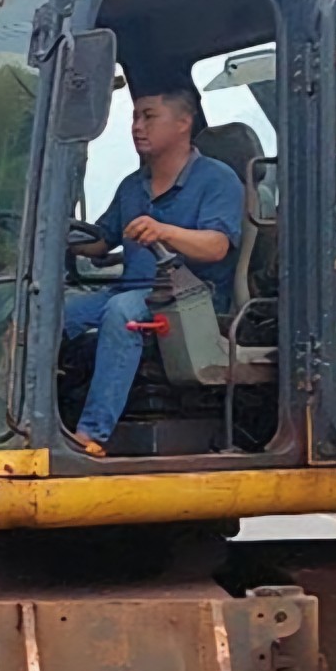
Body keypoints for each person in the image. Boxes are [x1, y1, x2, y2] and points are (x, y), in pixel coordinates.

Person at [62, 82, 245, 457]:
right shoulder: (133, 186)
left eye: (148, 117)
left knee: (123, 313)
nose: (136, 127)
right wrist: (52, 237)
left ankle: (91, 434)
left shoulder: (217, 179)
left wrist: (164, 231)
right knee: (52, 315)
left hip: (189, 297)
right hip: (133, 288)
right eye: (134, 117)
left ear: (182, 123)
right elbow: (100, 242)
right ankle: (42, 419)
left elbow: (216, 246)